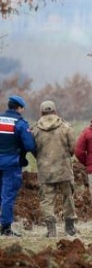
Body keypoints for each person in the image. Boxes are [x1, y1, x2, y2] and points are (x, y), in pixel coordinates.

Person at [32, 101, 78, 237]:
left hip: (45, 172)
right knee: (68, 198)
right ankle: (70, 228)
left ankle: (51, 230)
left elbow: (32, 149)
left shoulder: (35, 129)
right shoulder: (66, 127)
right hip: (64, 170)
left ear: (41, 112)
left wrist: (40, 158)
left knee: (46, 200)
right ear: (55, 111)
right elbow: (72, 149)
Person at [0, 95, 35, 236]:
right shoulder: (20, 123)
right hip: (11, 164)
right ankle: (6, 228)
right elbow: (29, 145)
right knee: (7, 195)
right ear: (19, 108)